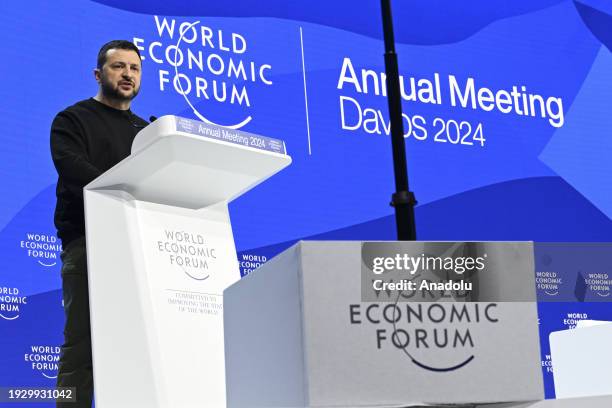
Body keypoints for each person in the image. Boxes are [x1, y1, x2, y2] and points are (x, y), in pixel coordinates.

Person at [50, 40, 147, 408]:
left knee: (138, 349)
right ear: (98, 74)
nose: (127, 74)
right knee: (82, 349)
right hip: (89, 245)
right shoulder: (71, 120)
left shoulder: (147, 131)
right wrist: (125, 189)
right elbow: (75, 170)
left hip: (141, 247)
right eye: (118, 67)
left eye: (134, 69)